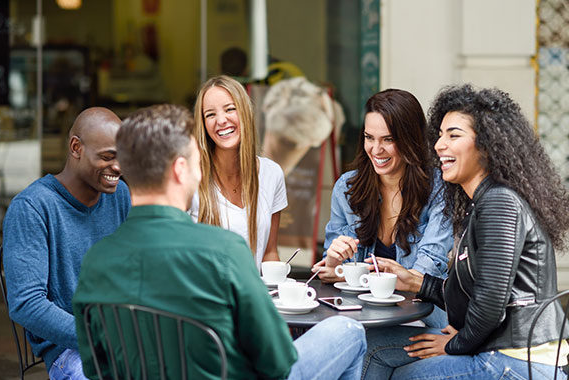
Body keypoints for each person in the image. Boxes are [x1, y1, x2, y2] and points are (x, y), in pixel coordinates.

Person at [72, 104, 367, 380]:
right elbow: (276, 361)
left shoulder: (96, 261)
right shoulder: (224, 250)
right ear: (179, 170)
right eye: (197, 162)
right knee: (348, 329)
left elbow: (96, 367)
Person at [361, 84, 569, 379]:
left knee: (401, 374)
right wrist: (417, 283)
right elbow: (475, 293)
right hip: (497, 349)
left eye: (454, 135)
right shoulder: (482, 204)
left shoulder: (500, 204)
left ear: (487, 146)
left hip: (516, 362)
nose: (438, 145)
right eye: (440, 135)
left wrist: (455, 345)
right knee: (373, 346)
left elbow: (489, 305)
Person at [2, 107, 131, 380]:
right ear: (76, 148)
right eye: (108, 157)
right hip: (71, 349)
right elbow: (25, 303)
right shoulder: (33, 207)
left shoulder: (119, 195)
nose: (118, 167)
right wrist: (99, 337)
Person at [313, 89, 453, 328]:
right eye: (369, 137)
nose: (376, 150)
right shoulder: (347, 188)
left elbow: (426, 269)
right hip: (363, 315)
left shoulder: (440, 189)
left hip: (421, 318)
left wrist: (352, 275)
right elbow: (332, 270)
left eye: (388, 139)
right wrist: (334, 262)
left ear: (410, 139)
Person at [189, 75, 287, 270]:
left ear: (245, 112)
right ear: (203, 124)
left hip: (253, 296)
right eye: (210, 114)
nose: (221, 120)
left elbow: (269, 252)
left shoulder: (272, 173)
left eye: (230, 109)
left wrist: (275, 293)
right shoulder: (190, 178)